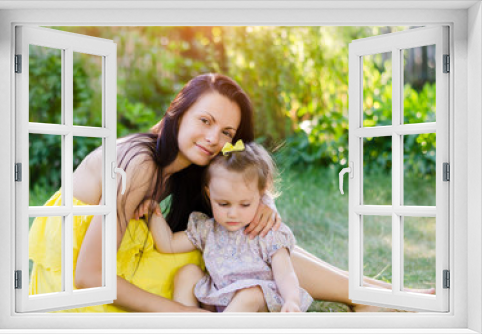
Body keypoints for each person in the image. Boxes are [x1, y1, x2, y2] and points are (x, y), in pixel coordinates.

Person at [28, 73, 427, 313]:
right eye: (204, 120)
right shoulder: (139, 163)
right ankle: (380, 293)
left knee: (250, 237)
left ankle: (381, 292)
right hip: (81, 289)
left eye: (226, 133)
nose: (212, 139)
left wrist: (264, 206)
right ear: (177, 110)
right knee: (242, 244)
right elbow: (89, 276)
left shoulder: (186, 163)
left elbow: (234, 189)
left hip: (128, 260)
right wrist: (191, 321)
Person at [149, 141, 314, 312]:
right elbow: (168, 244)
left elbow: (285, 273)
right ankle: (189, 320)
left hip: (258, 305)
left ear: (261, 195)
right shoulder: (206, 229)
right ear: (209, 193)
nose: (233, 213)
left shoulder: (268, 232)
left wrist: (291, 300)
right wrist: (153, 211)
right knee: (187, 272)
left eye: (244, 205)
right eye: (223, 204)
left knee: (250, 294)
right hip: (219, 299)